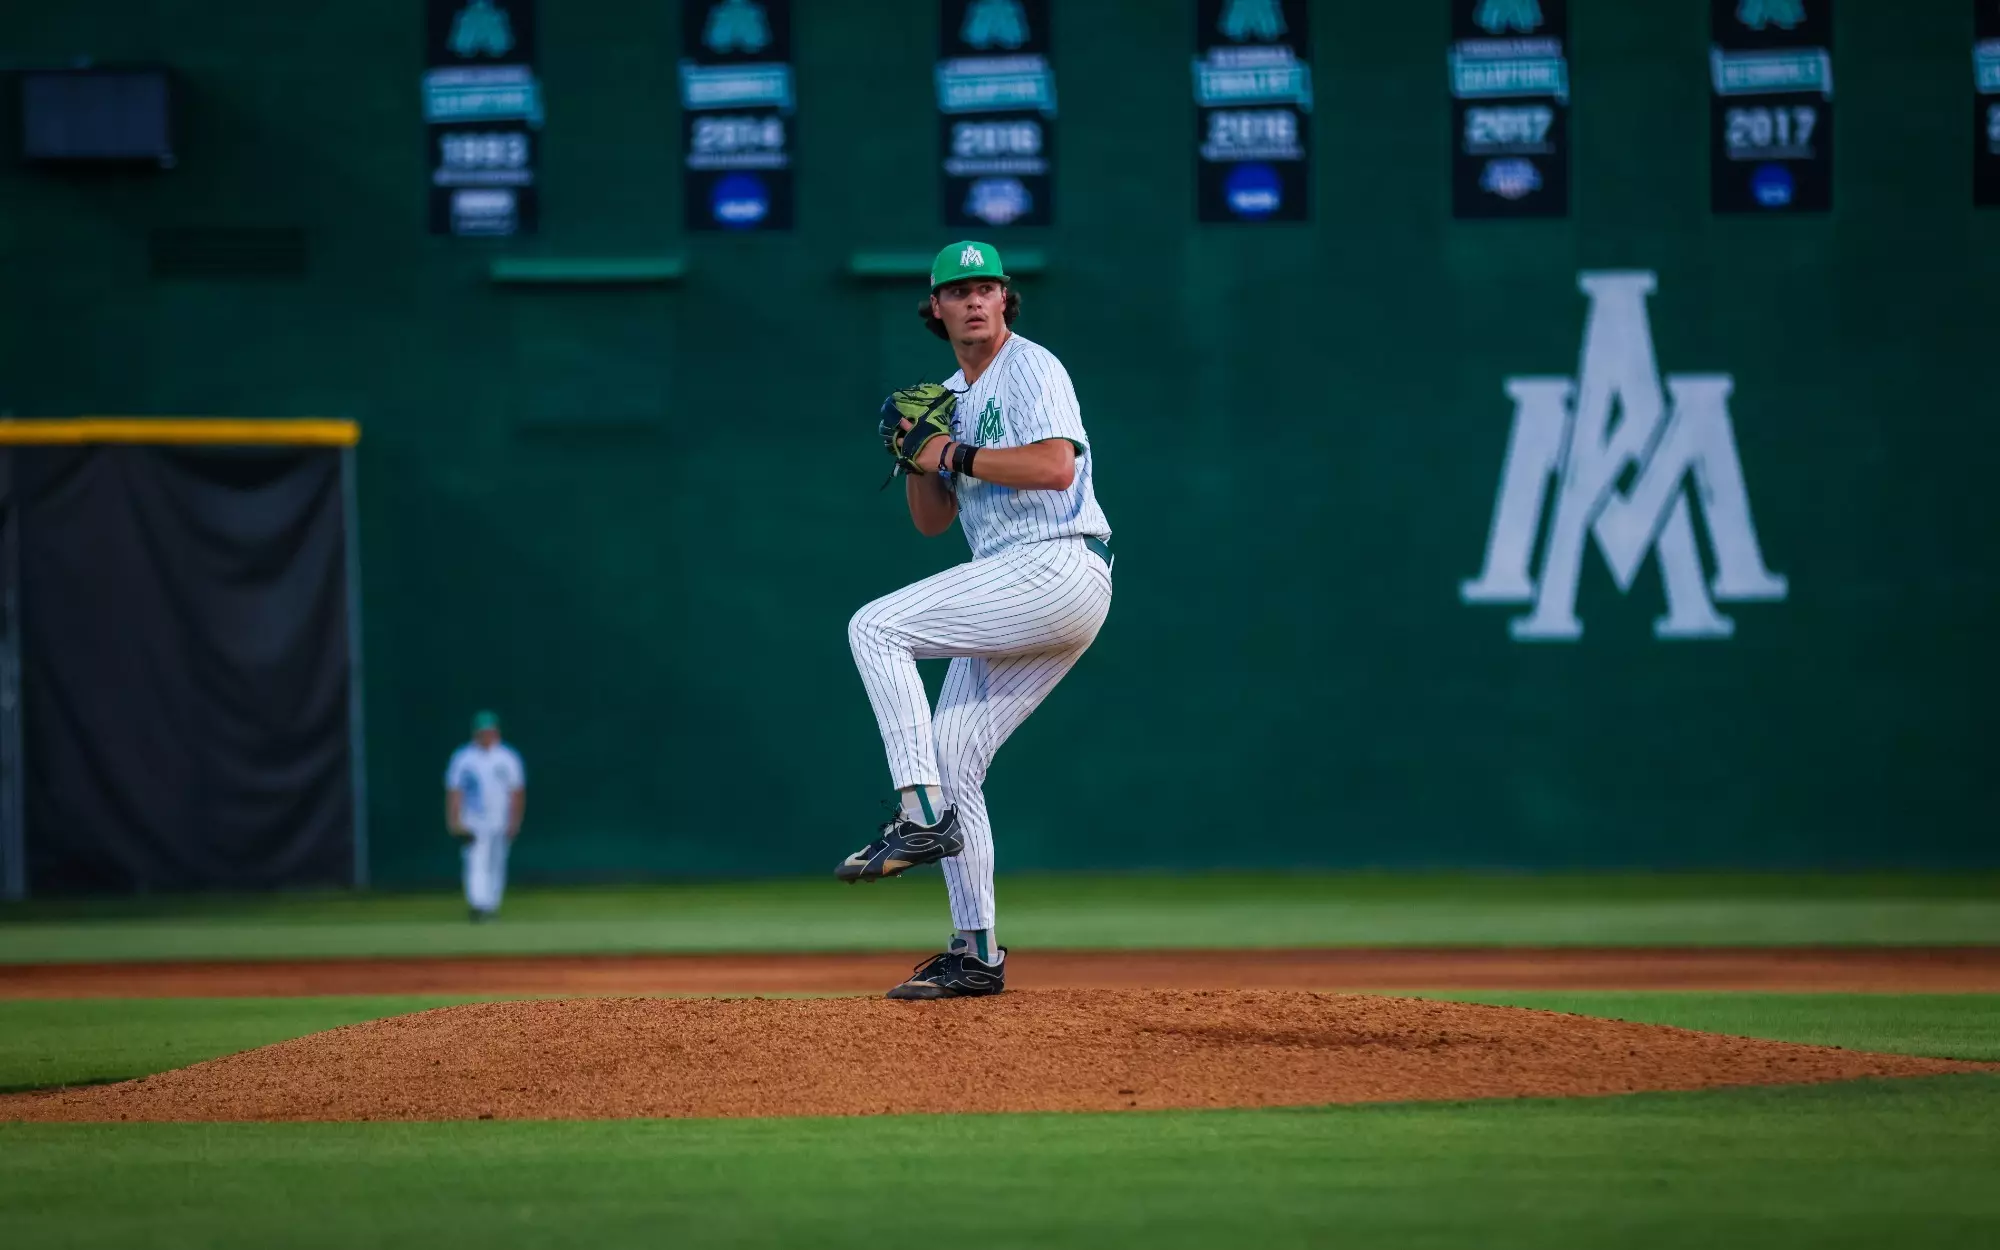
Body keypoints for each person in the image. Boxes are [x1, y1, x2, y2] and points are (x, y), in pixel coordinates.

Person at [841, 240, 1114, 1000]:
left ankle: (918, 814)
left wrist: (952, 452)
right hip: (1017, 580)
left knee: (875, 627)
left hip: (1055, 560)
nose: (973, 299)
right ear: (935, 308)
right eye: (957, 290)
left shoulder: (1031, 365)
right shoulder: (952, 398)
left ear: (1004, 301)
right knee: (955, 753)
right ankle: (977, 952)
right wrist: (914, 455)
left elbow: (1057, 465)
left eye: (986, 287)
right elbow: (933, 522)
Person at [444, 710, 526, 922]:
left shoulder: (507, 757)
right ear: (476, 733)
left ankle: (491, 906)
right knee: (476, 861)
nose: (487, 735)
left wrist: (515, 821)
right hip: (473, 819)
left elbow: (517, 792)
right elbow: (454, 791)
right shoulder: (463, 758)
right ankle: (478, 905)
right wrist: (454, 820)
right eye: (483, 732)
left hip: (501, 818)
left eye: (490, 731)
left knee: (497, 863)